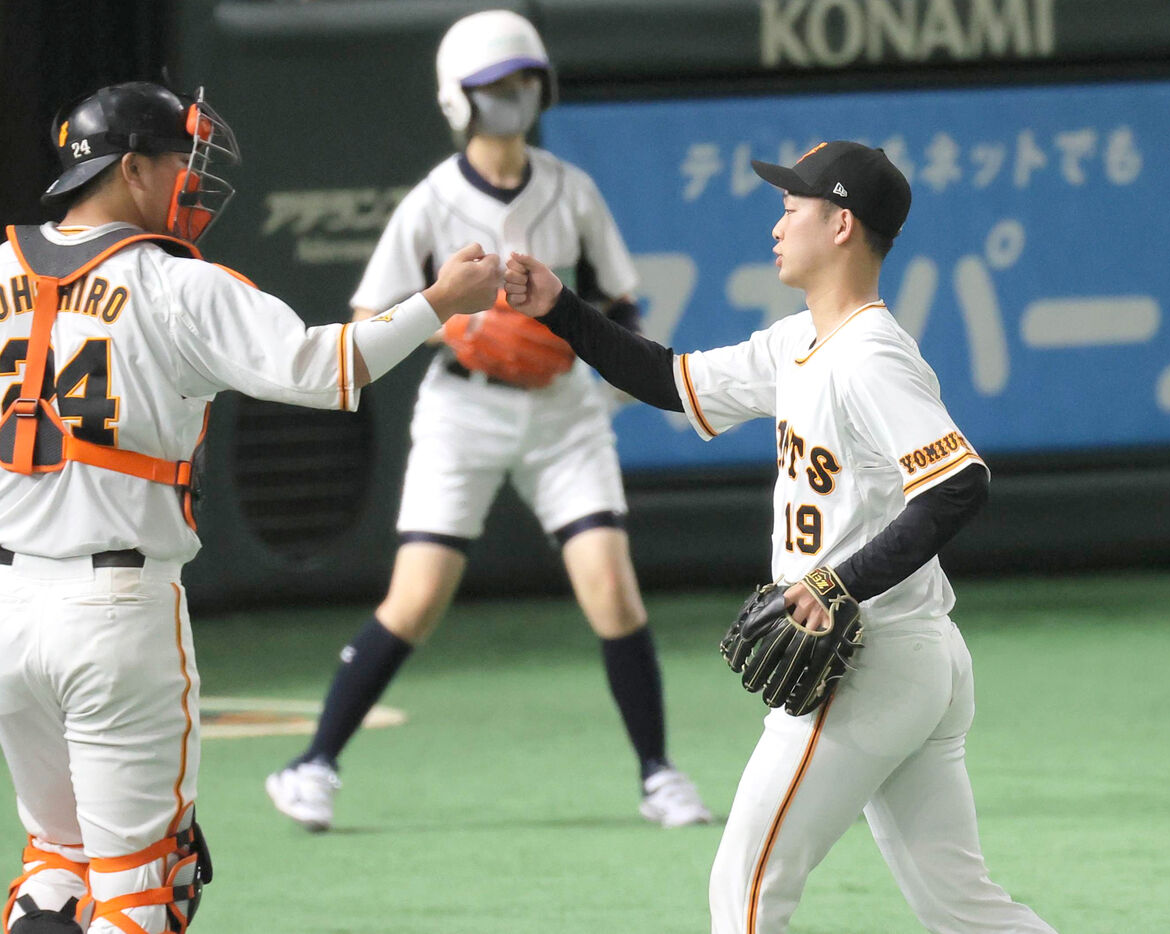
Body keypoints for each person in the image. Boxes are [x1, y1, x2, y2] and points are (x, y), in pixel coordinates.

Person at [504, 141, 1059, 933]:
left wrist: (837, 583)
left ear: (841, 225)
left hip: (869, 660)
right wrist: (560, 307)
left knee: (745, 893)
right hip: (914, 655)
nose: (777, 224)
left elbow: (958, 484)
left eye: (793, 207)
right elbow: (669, 380)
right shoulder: (797, 340)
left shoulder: (870, 355)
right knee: (961, 905)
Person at [0, 81, 501, 934]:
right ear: (130, 169)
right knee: (142, 890)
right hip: (114, 610)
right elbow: (328, 367)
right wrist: (440, 302)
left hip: (10, 604)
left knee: (57, 864)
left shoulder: (5, 265)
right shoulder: (174, 284)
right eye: (177, 161)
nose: (190, 181)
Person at [265, 9, 710, 833]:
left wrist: (579, 341)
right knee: (417, 599)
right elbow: (367, 314)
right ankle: (312, 763)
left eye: (524, 80)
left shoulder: (571, 189)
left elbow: (620, 303)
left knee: (612, 589)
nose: (513, 95)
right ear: (457, 99)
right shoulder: (433, 201)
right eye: (495, 85)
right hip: (461, 408)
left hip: (563, 411)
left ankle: (659, 774)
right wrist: (463, 327)